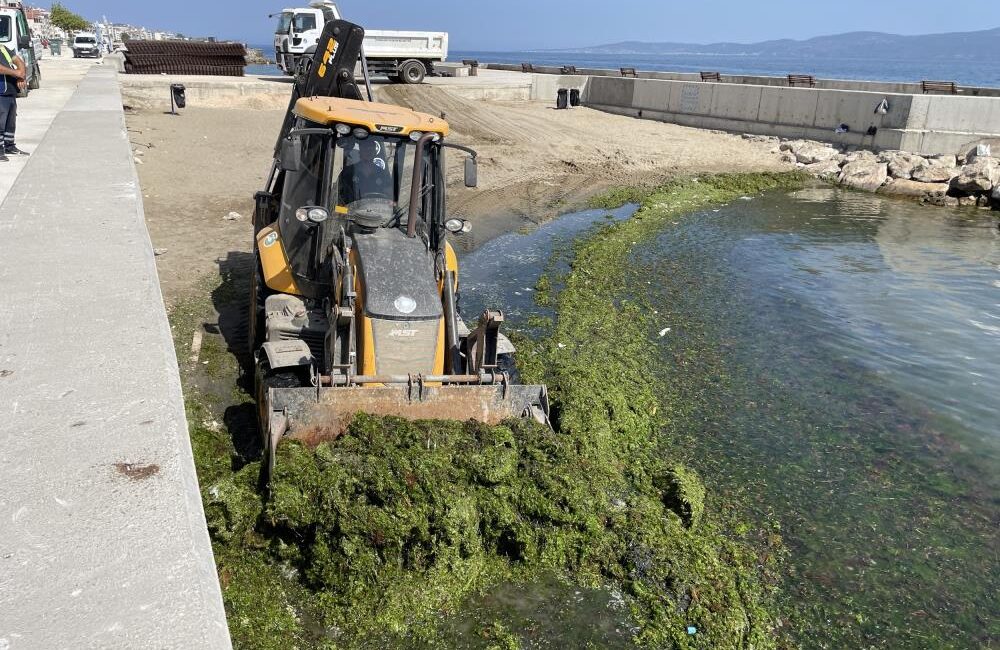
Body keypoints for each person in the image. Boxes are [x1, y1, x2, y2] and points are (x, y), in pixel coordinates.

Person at [338, 138, 393, 205]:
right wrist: (342, 211)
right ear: (360, 152)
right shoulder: (348, 172)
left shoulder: (383, 174)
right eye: (365, 149)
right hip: (350, 212)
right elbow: (339, 196)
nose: (368, 152)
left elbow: (389, 196)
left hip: (375, 212)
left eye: (371, 149)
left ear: (375, 152)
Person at [0, 43, 28, 162]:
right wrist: (16, 73)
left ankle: (9, 146)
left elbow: (19, 61)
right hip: (0, 91)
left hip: (10, 90)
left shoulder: (2, 47)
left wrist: (21, 75)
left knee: (10, 122)